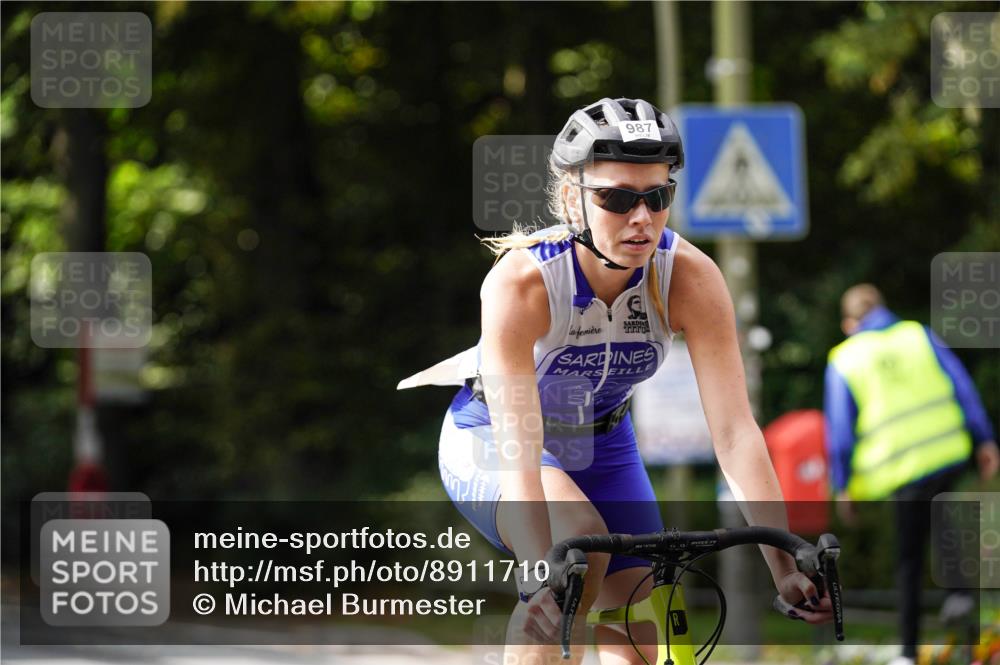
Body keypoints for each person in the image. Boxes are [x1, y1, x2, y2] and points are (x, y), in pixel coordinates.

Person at [405, 98, 832, 665]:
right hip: (497, 437)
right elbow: (520, 440)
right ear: (571, 199)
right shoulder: (524, 281)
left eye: (658, 196)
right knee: (572, 557)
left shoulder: (690, 277)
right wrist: (538, 572)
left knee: (638, 639)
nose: (642, 217)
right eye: (617, 198)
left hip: (605, 444)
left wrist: (784, 561)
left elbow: (734, 432)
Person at [824, 283, 999, 665]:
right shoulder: (918, 334)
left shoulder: (845, 357)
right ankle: (960, 597)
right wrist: (985, 439)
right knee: (942, 516)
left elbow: (839, 430)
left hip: (900, 466)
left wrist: (842, 486)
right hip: (947, 452)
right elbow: (962, 386)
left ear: (849, 322)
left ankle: (907, 650)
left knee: (908, 559)